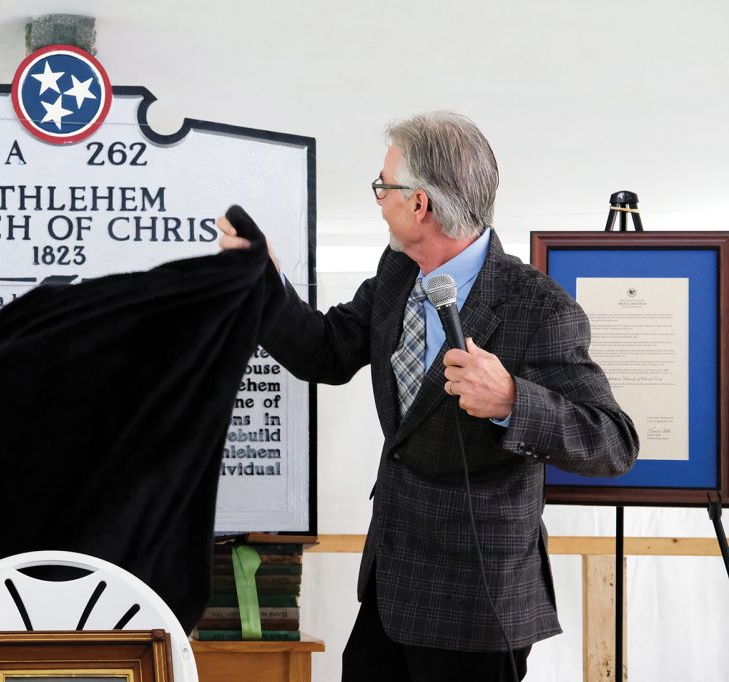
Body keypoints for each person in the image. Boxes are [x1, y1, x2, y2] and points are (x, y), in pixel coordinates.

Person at [217, 111, 638, 682]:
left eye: (382, 187)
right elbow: (328, 352)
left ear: (419, 204)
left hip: (478, 606)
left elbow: (612, 443)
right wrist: (262, 281)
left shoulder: (539, 307)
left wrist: (514, 399)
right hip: (392, 589)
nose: (377, 199)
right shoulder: (398, 270)